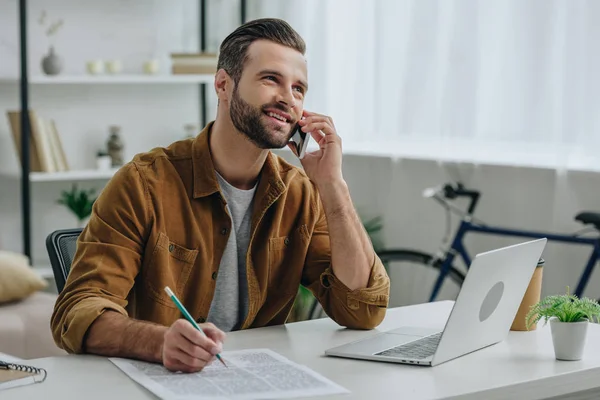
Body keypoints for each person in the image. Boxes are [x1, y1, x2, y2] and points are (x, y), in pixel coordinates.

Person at [51, 18, 390, 373]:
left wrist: (333, 186)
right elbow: (77, 311)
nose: (288, 98)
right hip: (157, 380)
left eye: (299, 89)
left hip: (257, 380)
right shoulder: (143, 183)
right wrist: (159, 342)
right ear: (223, 84)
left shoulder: (301, 192)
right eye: (271, 78)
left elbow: (362, 309)